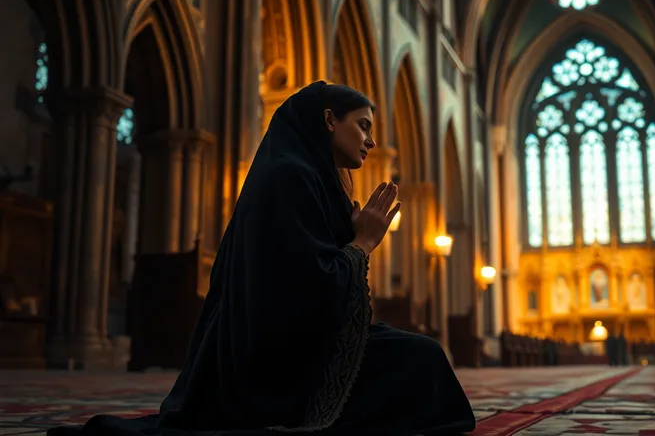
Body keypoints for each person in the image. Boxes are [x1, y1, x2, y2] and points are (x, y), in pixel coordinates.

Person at [48, 81, 476, 436]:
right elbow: (304, 287)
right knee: (420, 362)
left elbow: (320, 282)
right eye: (363, 126)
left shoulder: (316, 179)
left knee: (420, 360)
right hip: (271, 359)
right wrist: (362, 243)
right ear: (329, 120)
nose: (372, 140)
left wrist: (353, 236)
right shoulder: (288, 176)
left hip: (302, 341)